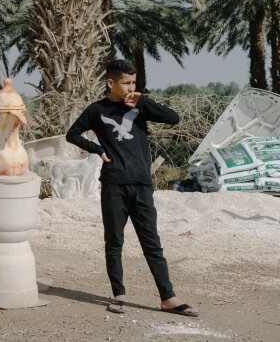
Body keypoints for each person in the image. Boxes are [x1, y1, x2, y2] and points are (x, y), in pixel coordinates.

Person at [65, 59, 199, 317]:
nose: (131, 88)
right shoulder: (97, 110)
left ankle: (168, 297)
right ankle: (119, 295)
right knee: (114, 242)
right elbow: (73, 134)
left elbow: (173, 118)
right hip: (114, 184)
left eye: (134, 82)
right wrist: (97, 149)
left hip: (141, 184)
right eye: (126, 83)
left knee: (152, 243)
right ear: (111, 82)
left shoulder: (139, 106)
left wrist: (143, 100)